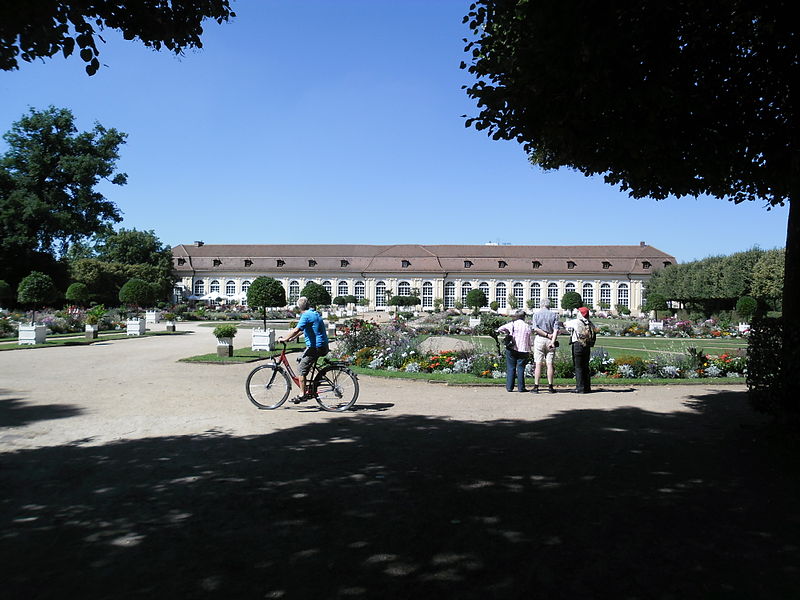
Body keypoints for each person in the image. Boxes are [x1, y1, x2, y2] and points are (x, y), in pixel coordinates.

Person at [278, 296, 330, 402]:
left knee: (301, 370)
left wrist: (285, 338)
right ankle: (313, 381)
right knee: (300, 359)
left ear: (299, 307)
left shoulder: (306, 315)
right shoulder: (313, 313)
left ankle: (302, 395)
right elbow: (304, 329)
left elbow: (296, 329)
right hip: (322, 346)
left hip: (315, 347)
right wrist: (292, 338)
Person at [497, 309, 533, 392]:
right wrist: (529, 348)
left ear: (516, 317)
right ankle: (521, 387)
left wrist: (507, 333)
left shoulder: (512, 324)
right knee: (521, 368)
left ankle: (509, 387)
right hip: (523, 349)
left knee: (511, 367)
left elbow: (499, 329)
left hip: (512, 348)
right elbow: (529, 340)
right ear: (524, 317)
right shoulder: (527, 326)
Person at [530, 297, 559, 393]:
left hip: (540, 339)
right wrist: (552, 340)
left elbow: (535, 329)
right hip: (550, 340)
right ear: (549, 305)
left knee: (538, 363)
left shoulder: (536, 315)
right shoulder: (554, 315)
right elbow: (556, 330)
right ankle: (550, 386)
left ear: (541, 305)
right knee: (549, 364)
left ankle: (536, 386)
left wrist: (546, 334)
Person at [564, 306, 595, 394]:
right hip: (587, 346)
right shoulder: (589, 323)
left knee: (578, 367)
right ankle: (587, 387)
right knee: (585, 367)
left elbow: (564, 325)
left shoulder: (576, 322)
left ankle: (580, 388)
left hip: (578, 345)